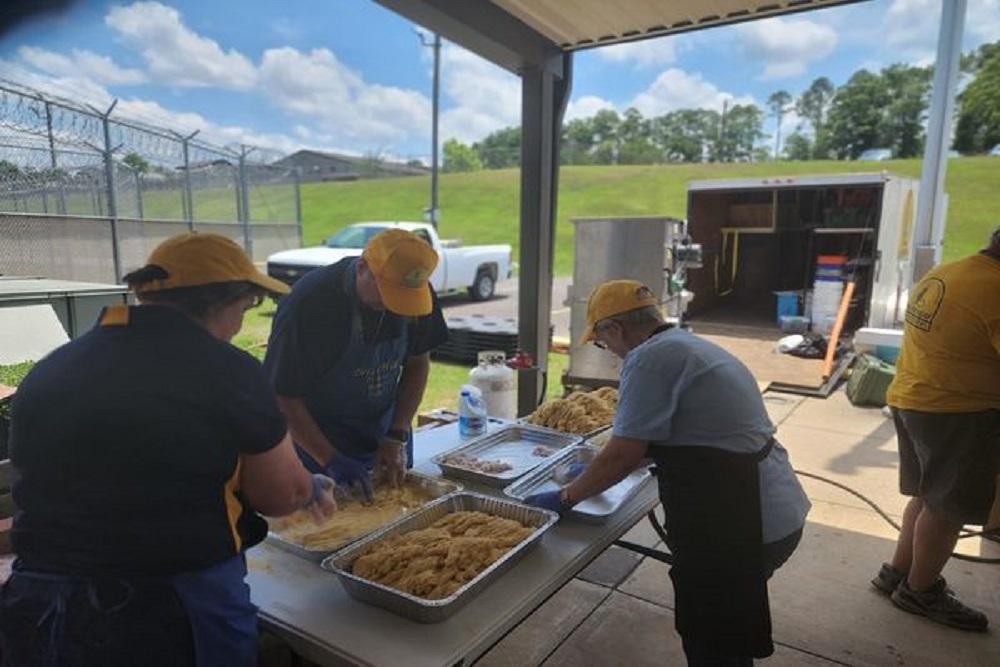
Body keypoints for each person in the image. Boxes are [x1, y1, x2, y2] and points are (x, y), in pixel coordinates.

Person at [0, 232, 337, 666]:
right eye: (248, 305)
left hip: (43, 602)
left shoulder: (54, 368)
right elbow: (280, 496)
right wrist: (309, 486)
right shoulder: (225, 369)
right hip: (169, 605)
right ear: (228, 300)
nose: (240, 323)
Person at [524, 279, 810, 667]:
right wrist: (592, 470)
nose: (606, 350)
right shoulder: (684, 346)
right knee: (723, 631)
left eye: (601, 341)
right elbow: (672, 437)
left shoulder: (648, 359)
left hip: (742, 520)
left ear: (616, 329)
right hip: (765, 506)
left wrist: (566, 497)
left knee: (714, 639)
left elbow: (623, 454)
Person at [873, 227, 1000, 632]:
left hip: (912, 396)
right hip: (959, 411)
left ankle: (898, 572)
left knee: (930, 497)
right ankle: (920, 591)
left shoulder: (954, 271)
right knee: (948, 509)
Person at [263, 228, 449, 500]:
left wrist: (396, 433)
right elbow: (281, 395)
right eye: (387, 294)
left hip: (385, 429)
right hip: (319, 440)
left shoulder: (415, 291)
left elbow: (418, 363)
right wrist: (329, 458)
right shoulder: (310, 304)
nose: (392, 307)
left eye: (403, 299)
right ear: (362, 268)